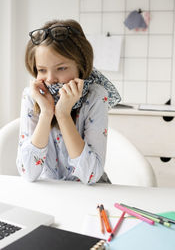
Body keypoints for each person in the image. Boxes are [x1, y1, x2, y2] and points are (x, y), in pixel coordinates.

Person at [16, 19, 121, 184]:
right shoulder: (32, 96)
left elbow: (91, 174)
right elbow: (28, 173)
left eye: (61, 68)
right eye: (42, 70)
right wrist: (46, 113)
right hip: (49, 194)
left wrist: (63, 114)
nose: (50, 79)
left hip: (90, 195)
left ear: (81, 66)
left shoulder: (96, 96)